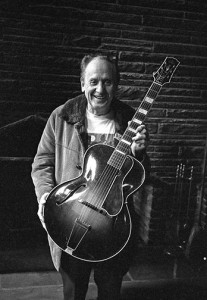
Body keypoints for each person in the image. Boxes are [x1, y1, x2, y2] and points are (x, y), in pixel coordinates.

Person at [31, 53, 150, 300]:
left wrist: (139, 154)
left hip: (114, 225)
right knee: (73, 290)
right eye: (93, 81)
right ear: (82, 83)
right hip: (70, 218)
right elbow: (42, 163)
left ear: (116, 85)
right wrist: (45, 195)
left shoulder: (130, 120)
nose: (100, 89)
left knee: (110, 289)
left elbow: (138, 178)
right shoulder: (61, 116)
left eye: (107, 82)